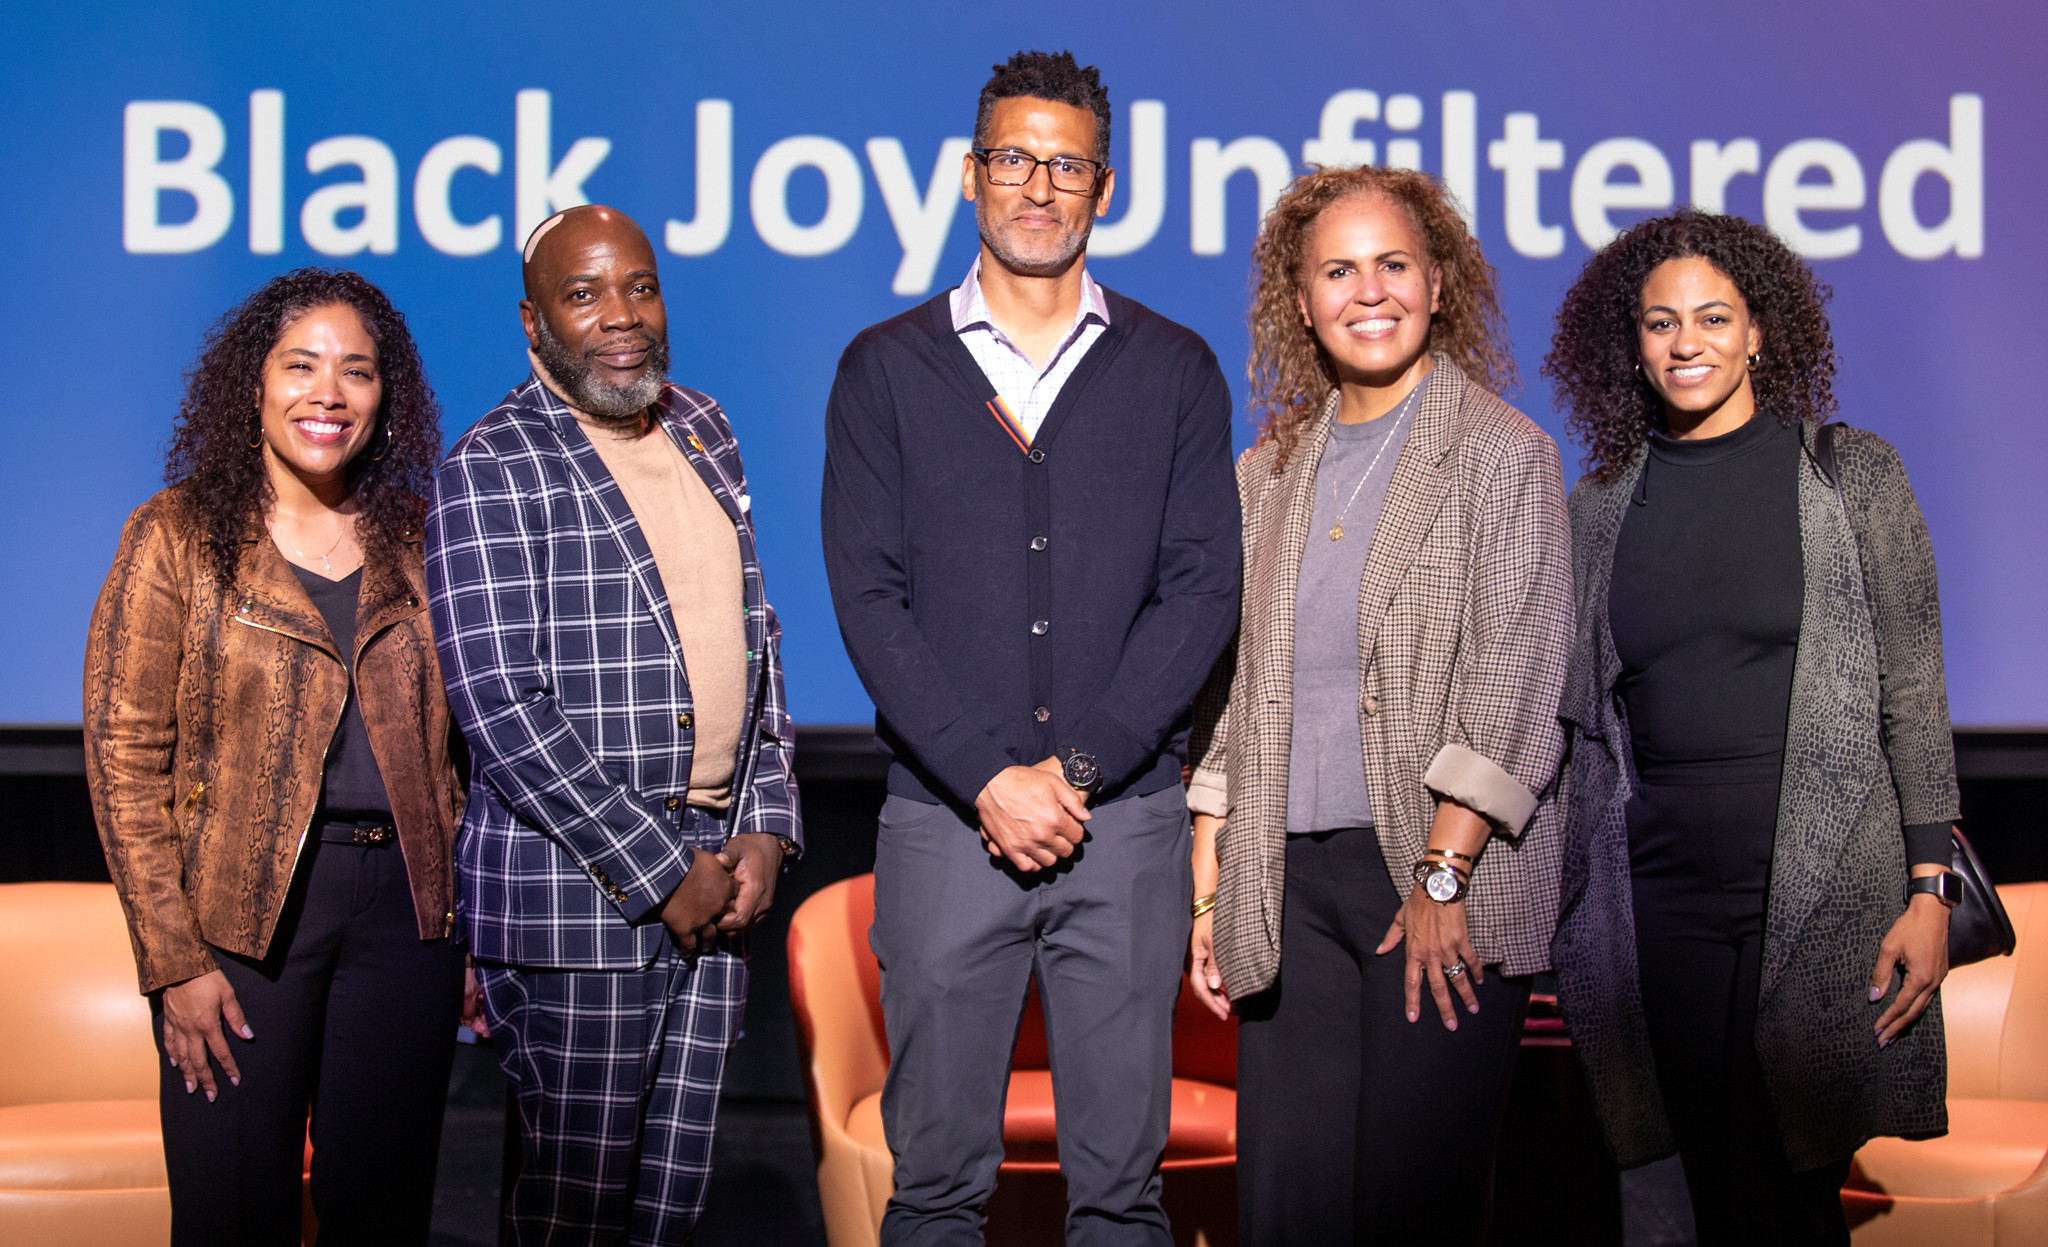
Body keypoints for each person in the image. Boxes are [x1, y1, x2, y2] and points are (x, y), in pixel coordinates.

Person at [822, 50, 1240, 1246]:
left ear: (1102, 187)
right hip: (945, 826)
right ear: (970, 176)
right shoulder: (884, 369)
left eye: (1066, 165)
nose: (1038, 187)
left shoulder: (1172, 368)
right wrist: (989, 777)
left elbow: (1201, 589)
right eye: (1014, 159)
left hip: (1128, 827)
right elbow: (867, 596)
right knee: (936, 1189)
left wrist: (1082, 770)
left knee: (1121, 1194)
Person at [1545, 209, 1960, 1246]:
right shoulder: (1596, 506)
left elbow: (1911, 687)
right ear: (1629, 347)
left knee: (1785, 1189)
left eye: (1711, 317)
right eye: (1658, 323)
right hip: (1658, 892)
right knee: (1684, 1190)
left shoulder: (1848, 472)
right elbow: (1582, 723)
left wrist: (1927, 889)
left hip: (1825, 887)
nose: (1685, 342)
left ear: (1759, 331)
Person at [1184, 164, 1573, 1246]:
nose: (1368, 291)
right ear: (1299, 300)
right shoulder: (1263, 474)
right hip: (1285, 883)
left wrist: (1442, 871)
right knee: (1286, 1208)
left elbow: (1515, 682)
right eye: (1337, 270)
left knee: (1410, 1209)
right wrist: (1211, 893)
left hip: (1436, 878)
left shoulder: (1502, 455)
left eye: (1392, 264)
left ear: (1438, 283)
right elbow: (1233, 695)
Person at [426, 203, 800, 1243]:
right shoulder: (489, 467)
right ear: (532, 320)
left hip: (718, 879)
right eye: (582, 294)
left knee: (665, 1217)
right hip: (578, 905)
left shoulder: (704, 428)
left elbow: (754, 642)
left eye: (638, 286)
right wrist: (659, 867)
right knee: (573, 1220)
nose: (620, 315)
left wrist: (764, 819)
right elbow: (499, 702)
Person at [84, 269, 467, 1244]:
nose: (328, 395)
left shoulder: (426, 542)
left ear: (388, 398)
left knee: (379, 1212)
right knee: (233, 1210)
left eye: (357, 372)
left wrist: (462, 921)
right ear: (251, 383)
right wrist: (172, 959)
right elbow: (125, 758)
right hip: (239, 918)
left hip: (405, 916)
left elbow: (466, 752)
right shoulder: (173, 536)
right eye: (300, 366)